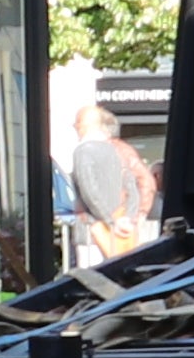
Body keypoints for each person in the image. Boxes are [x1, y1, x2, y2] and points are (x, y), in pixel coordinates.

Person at [53, 65, 159, 272]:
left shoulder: (84, 151)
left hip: (95, 226)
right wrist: (130, 216)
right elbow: (133, 181)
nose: (76, 129)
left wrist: (112, 220)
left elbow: (89, 190)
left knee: (95, 274)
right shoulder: (116, 149)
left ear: (84, 126)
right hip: (119, 222)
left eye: (77, 125)